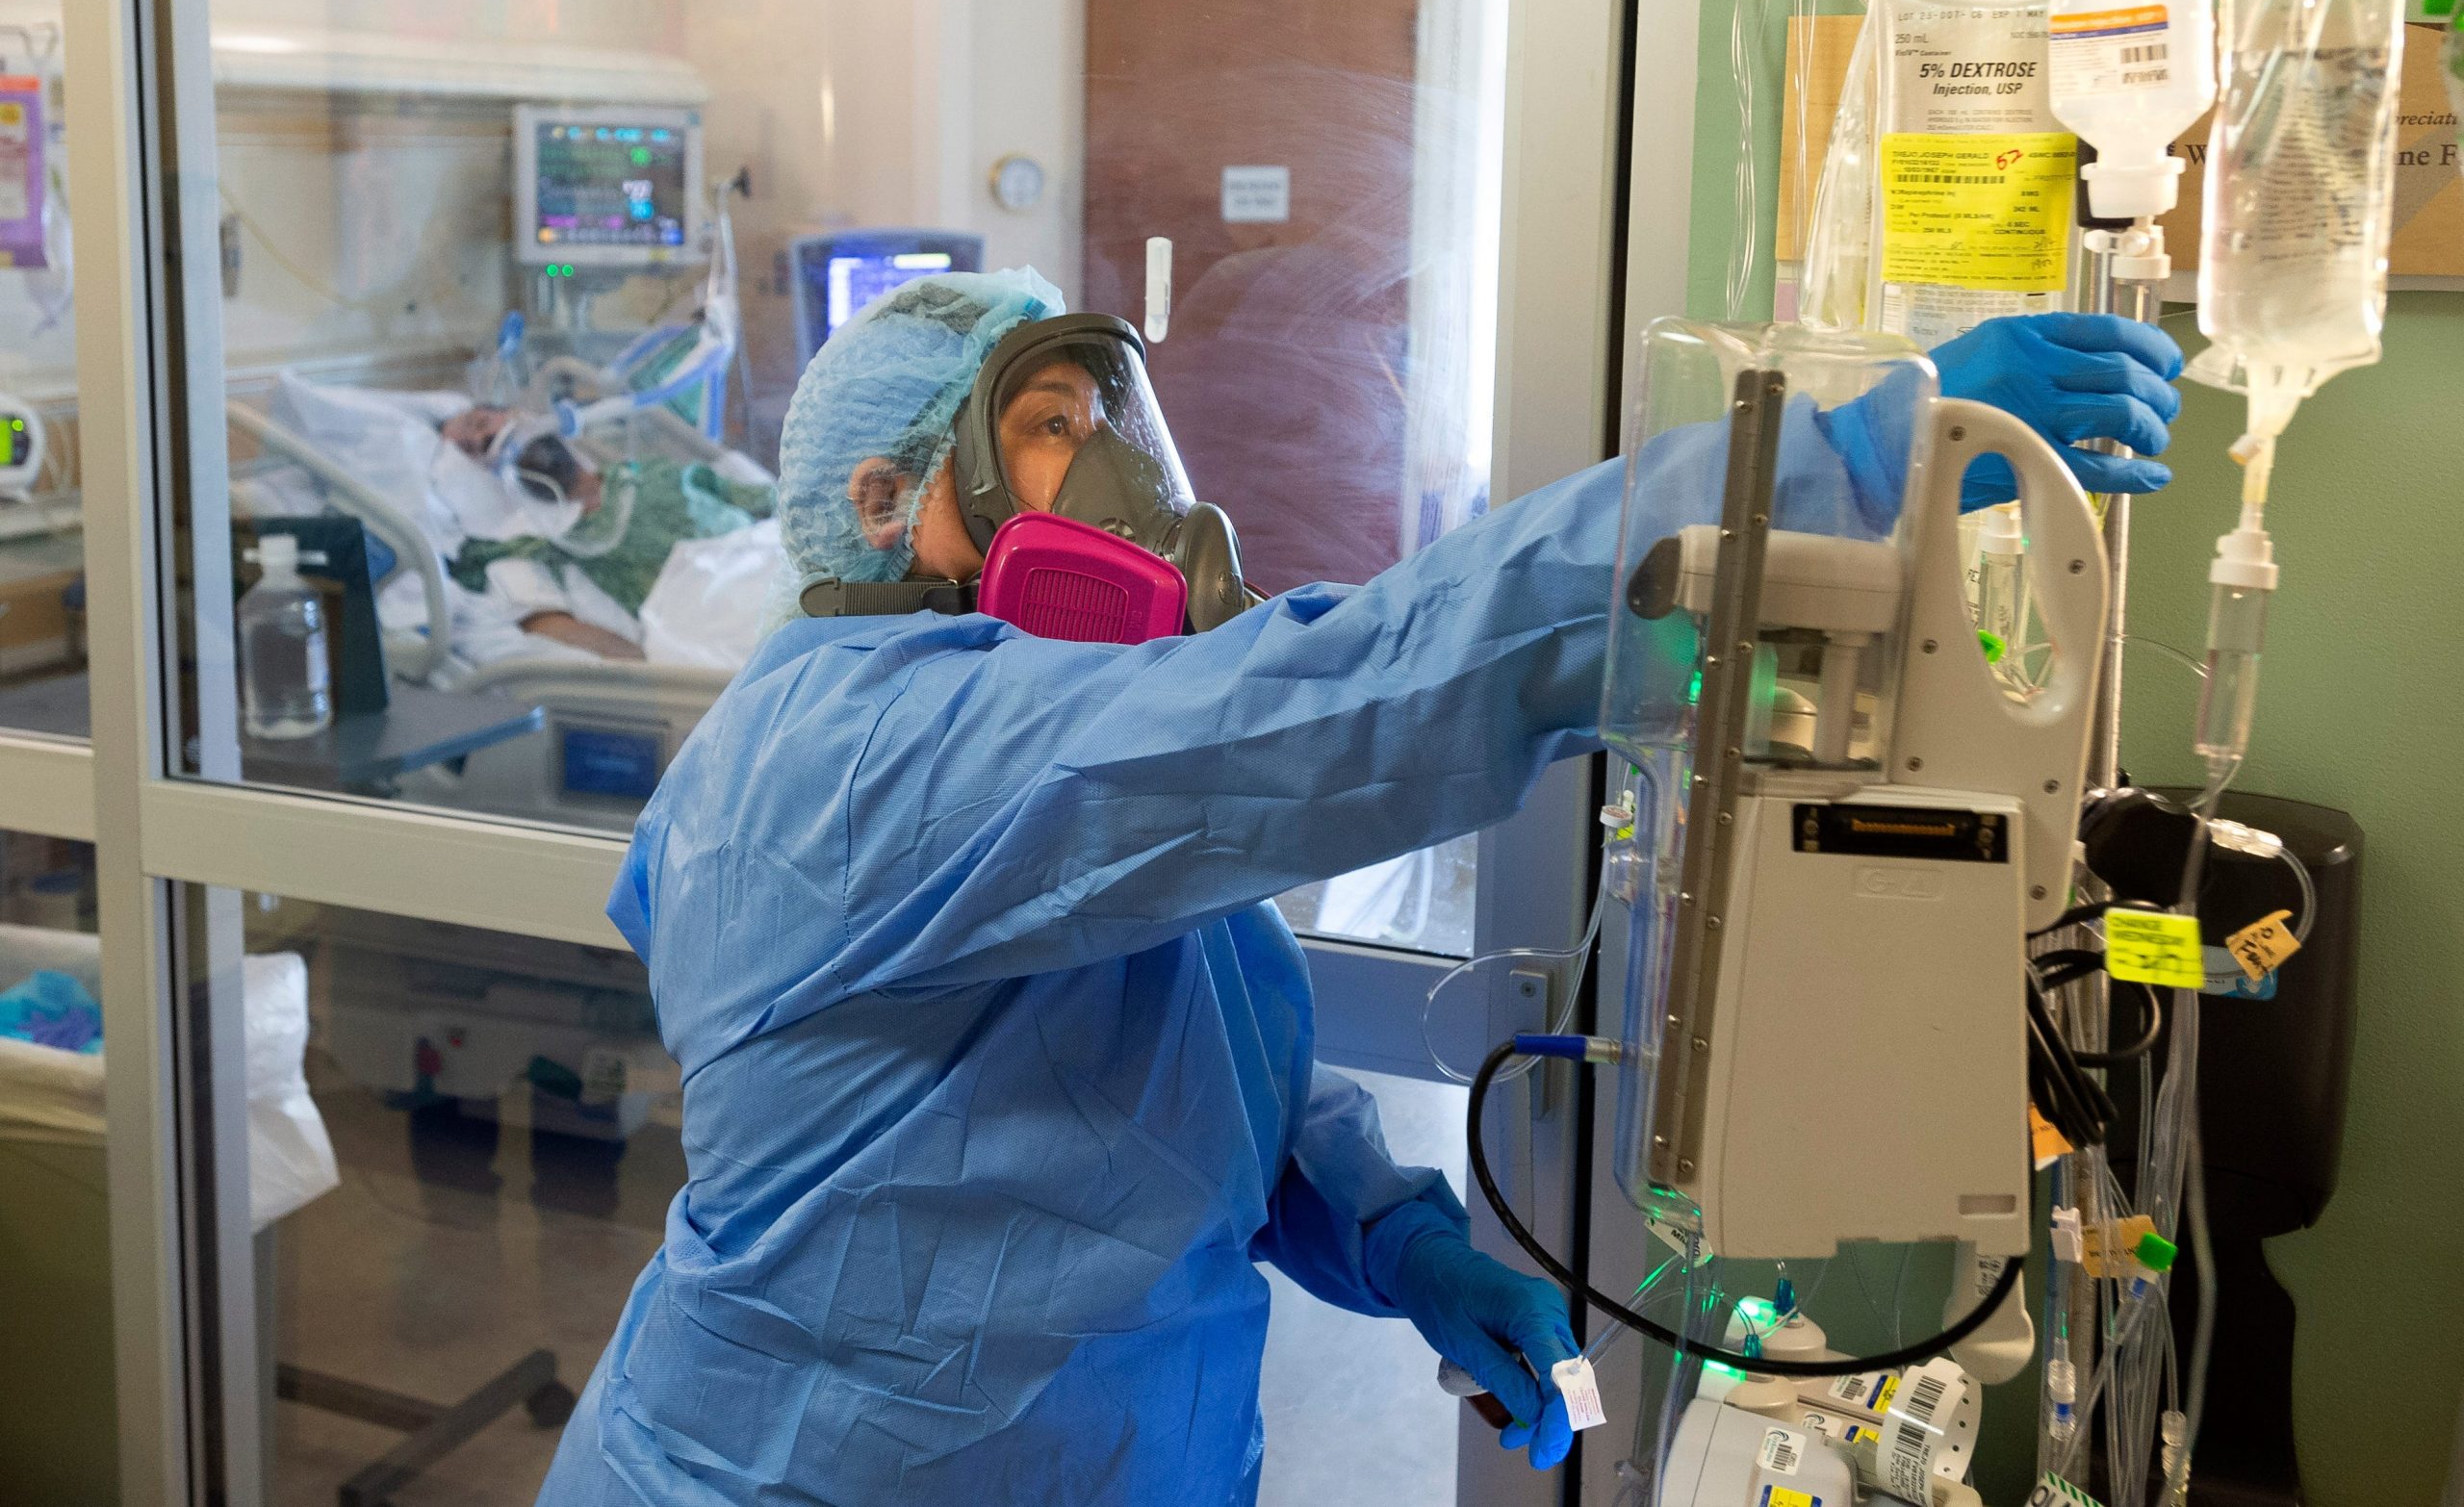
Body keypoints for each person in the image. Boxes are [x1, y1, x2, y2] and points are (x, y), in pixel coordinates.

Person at [537, 273, 2182, 1506]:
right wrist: (1824, 477)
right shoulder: (867, 751)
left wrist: (1396, 1242)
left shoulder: (996, 737)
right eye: (1048, 426)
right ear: (893, 506)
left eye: (1112, 412)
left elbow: (1168, 1049)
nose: (1112, 462)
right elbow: (1359, 695)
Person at [437, 404, 776, 662]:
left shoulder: (650, 471)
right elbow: (550, 626)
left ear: (521, 414)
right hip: (718, 616)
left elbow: (768, 502)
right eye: (474, 448)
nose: (488, 440)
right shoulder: (523, 544)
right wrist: (659, 678)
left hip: (776, 565)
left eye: (482, 425)